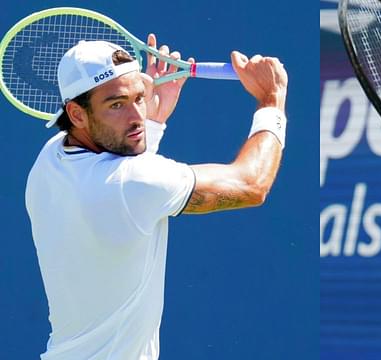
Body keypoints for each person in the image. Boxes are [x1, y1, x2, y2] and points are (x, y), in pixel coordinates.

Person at [25, 34, 287, 359]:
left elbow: (122, 184)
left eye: (139, 97)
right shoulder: (129, 184)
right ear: (77, 114)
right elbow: (251, 184)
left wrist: (154, 122)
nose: (136, 115)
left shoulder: (49, 160)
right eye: (117, 104)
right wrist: (271, 101)